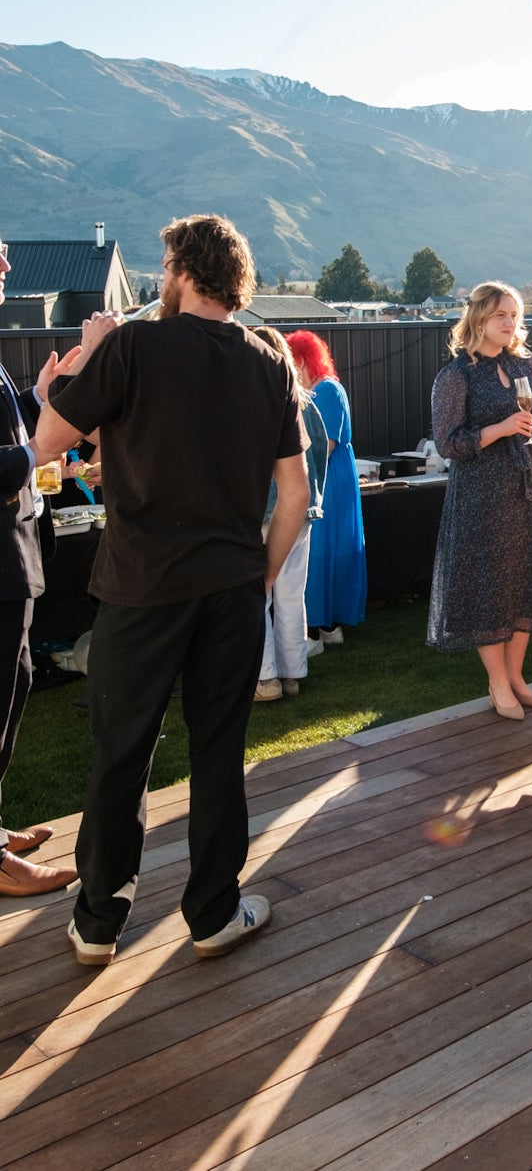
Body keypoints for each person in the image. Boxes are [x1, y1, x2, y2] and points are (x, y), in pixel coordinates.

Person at [34, 213, 308, 963]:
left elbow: (48, 441)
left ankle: (97, 922)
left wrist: (88, 360)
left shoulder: (132, 345)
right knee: (218, 750)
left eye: (163, 265)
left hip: (141, 586)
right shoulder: (269, 358)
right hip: (228, 588)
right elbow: (295, 492)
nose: (159, 278)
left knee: (122, 751)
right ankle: (215, 913)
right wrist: (263, 573)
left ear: (184, 270)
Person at [0, 226, 115, 897]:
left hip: (15, 558)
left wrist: (36, 400)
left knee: (10, 695)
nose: (10, 260)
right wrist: (38, 449)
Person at [427, 281, 532, 718]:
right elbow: (448, 443)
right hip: (483, 495)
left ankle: (517, 674)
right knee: (490, 584)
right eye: (500, 315)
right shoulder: (456, 375)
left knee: (527, 578)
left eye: (514, 315)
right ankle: (496, 681)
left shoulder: (528, 365)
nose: (510, 323)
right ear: (479, 319)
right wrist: (500, 430)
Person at [253, 328, 329, 701]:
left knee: (258, 593)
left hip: (263, 511)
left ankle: (265, 677)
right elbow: (319, 460)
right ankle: (292, 672)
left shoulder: (250, 405)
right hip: (301, 512)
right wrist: (314, 500)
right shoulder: (307, 402)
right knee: (290, 595)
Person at [286, 331, 366, 646]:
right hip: (326, 476)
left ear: (302, 361)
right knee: (325, 550)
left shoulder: (326, 391)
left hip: (326, 478)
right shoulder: (320, 391)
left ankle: (317, 628)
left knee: (320, 551)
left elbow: (325, 445)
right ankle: (326, 625)